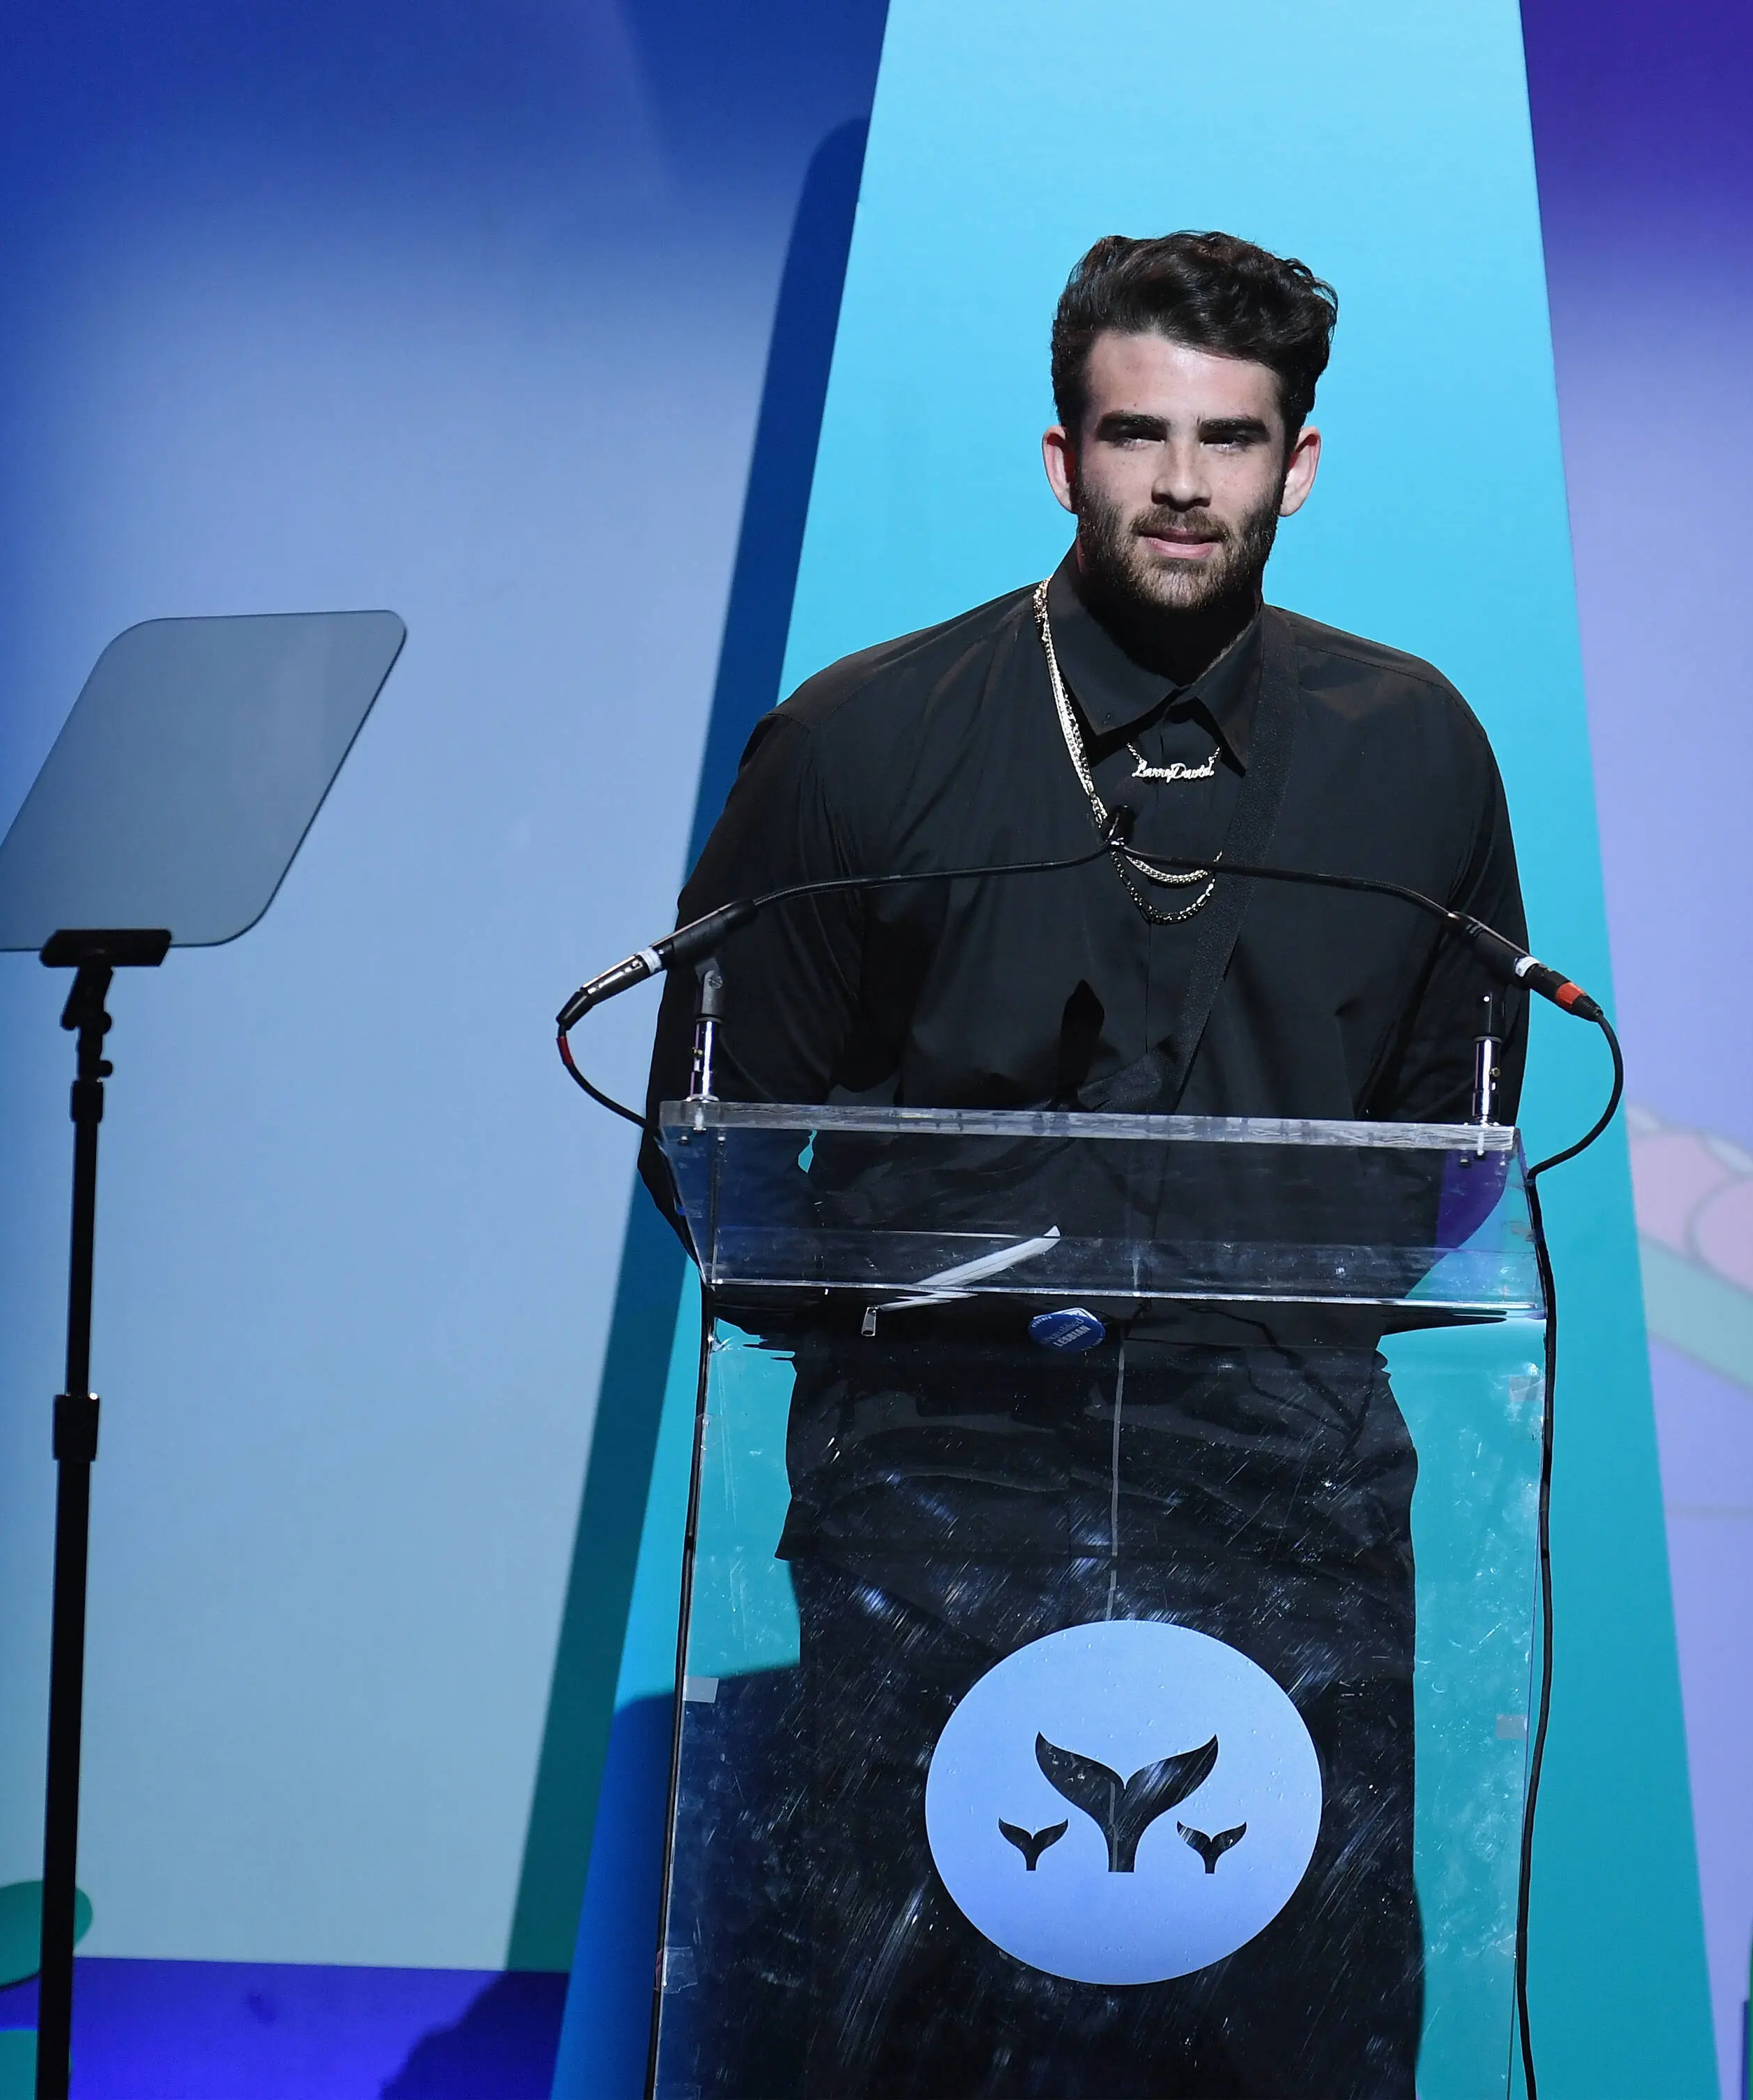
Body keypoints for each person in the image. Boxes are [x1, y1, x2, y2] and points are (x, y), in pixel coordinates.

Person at [643, 230, 1529, 2098]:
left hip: (1288, 1502)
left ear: (1299, 461)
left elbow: (1456, 1149)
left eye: (1231, 437)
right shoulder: (864, 740)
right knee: (924, 2040)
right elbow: (712, 1139)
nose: (1185, 482)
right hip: (934, 1510)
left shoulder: (1416, 750)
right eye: (1138, 435)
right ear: (1063, 459)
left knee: (1292, 2028)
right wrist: (924, 1338)